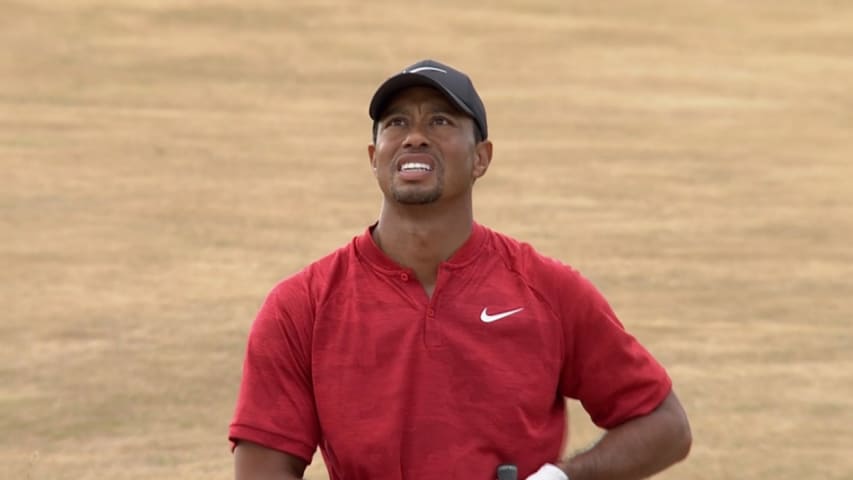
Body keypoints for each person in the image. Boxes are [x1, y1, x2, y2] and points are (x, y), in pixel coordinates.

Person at [229, 59, 692, 480]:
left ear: (481, 158)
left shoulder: (548, 290)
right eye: (396, 123)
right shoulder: (302, 305)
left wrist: (560, 479)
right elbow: (263, 463)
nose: (414, 135)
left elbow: (664, 424)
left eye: (440, 120)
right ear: (374, 159)